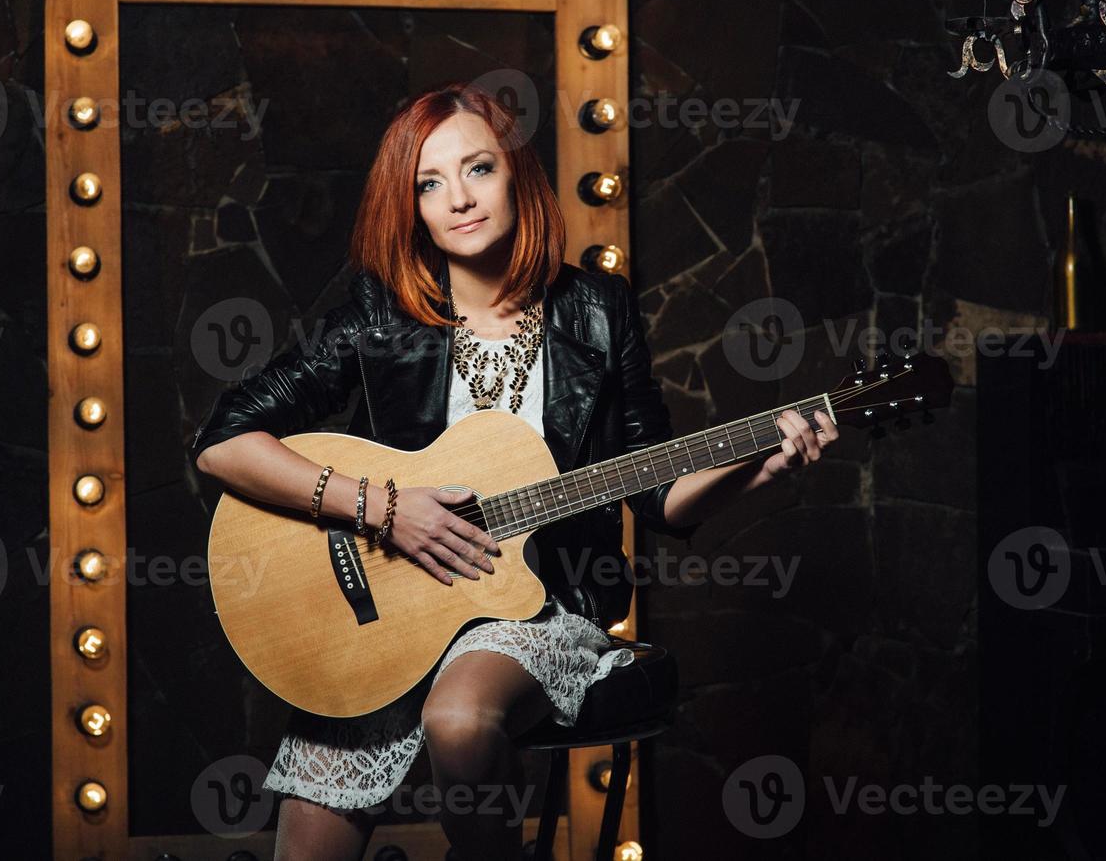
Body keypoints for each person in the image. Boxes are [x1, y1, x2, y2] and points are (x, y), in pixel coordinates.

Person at [189, 82, 837, 861]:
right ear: (412, 207)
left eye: (478, 170)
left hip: (537, 607)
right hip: (389, 608)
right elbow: (223, 441)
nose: (457, 199)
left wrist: (757, 469)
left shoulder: (598, 310)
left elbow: (658, 490)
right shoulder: (379, 309)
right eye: (430, 184)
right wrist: (381, 508)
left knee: (458, 715)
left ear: (517, 176)